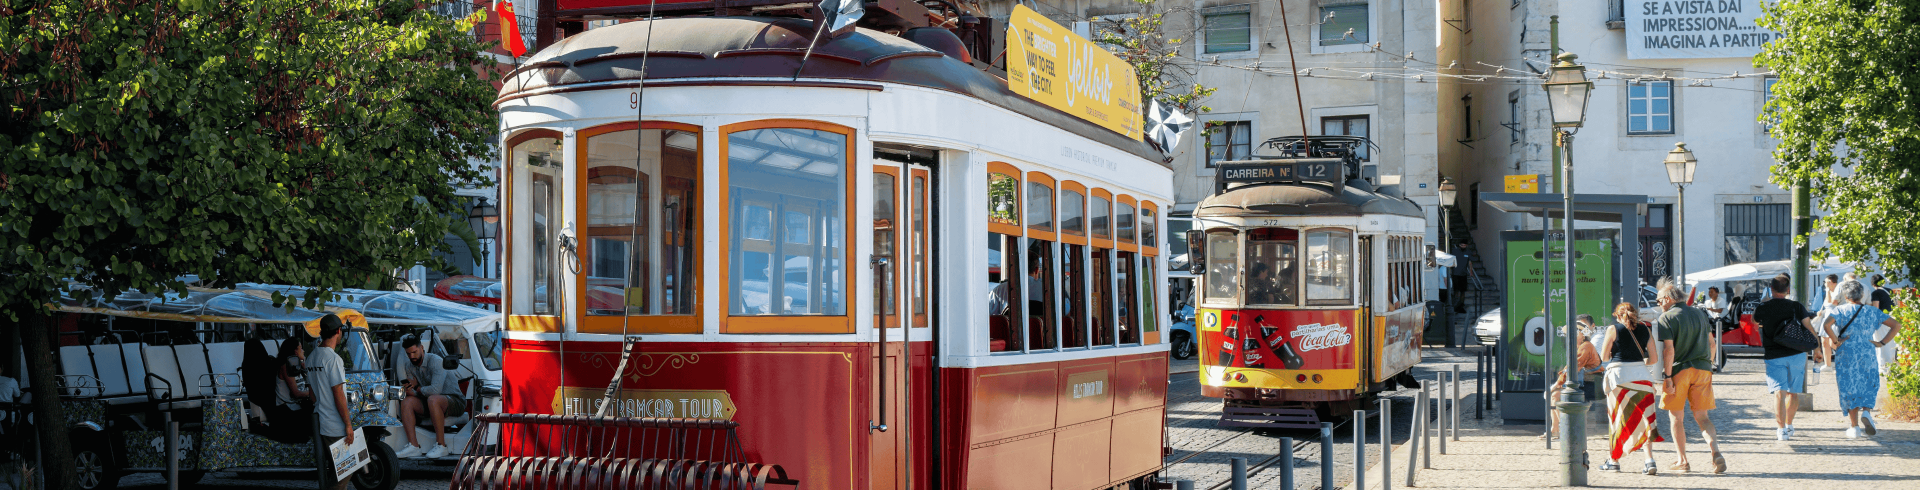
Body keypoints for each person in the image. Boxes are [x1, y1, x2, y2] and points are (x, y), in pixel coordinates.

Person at [1652, 277, 1724, 474]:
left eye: (1659, 301)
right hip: (1703, 369)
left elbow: (1669, 351)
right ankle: (1715, 451)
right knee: (1703, 417)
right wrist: (1708, 365)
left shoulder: (1666, 318)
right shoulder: (1700, 314)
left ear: (1667, 298)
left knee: (1676, 417)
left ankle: (1682, 460)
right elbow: (1712, 344)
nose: (1659, 305)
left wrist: (1667, 378)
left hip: (1679, 371)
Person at [1824, 280, 1904, 438]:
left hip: (1846, 351)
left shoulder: (1839, 310)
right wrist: (1882, 342)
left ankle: (1854, 427)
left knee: (1849, 385)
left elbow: (1827, 325)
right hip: (1867, 350)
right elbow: (1896, 325)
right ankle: (1866, 412)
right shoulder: (1872, 311)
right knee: (1868, 381)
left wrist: (1835, 340)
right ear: (1862, 295)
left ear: (1846, 295)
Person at [1598, 302, 1662, 474]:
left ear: (1618, 316)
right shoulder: (1645, 329)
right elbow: (1654, 359)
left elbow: (1604, 356)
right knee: (1646, 419)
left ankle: (1614, 461)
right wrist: (1638, 364)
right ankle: (1649, 461)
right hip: (1643, 378)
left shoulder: (1613, 329)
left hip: (1619, 379)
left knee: (1617, 419)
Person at [1753, 273, 1815, 440]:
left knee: (1779, 392)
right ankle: (1789, 424)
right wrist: (1817, 348)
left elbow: (1753, 324)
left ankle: (1781, 430)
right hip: (1797, 353)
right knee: (1793, 393)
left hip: (1774, 354)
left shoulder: (1763, 307)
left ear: (1771, 289)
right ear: (1788, 290)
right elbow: (1808, 326)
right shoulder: (1797, 306)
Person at [395, 335, 468, 459]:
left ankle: (441, 446)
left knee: (433, 399)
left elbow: (435, 390)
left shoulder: (436, 361)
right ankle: (413, 446)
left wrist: (417, 387)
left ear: (422, 348)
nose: (412, 356)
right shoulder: (409, 366)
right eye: (408, 354)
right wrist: (413, 391)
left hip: (455, 400)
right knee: (407, 401)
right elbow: (413, 391)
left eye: (414, 352)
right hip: (429, 400)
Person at [309, 314, 355, 490]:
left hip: (322, 420)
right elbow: (338, 394)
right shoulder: (334, 359)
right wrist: (348, 425)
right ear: (338, 331)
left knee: (338, 470)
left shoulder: (313, 357)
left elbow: (312, 394)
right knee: (346, 468)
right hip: (335, 424)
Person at [1871, 275, 1899, 375]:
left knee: (1881, 342)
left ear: (1873, 284)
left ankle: (1883, 367)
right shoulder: (1890, 291)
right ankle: (1892, 366)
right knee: (1891, 343)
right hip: (1893, 319)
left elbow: (1876, 309)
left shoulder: (1876, 293)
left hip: (1882, 320)